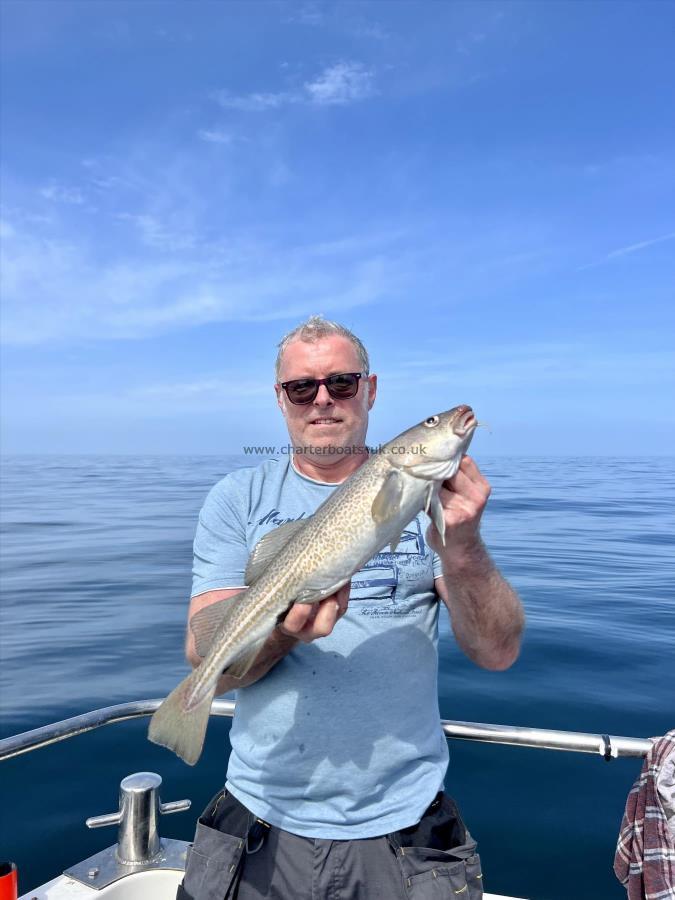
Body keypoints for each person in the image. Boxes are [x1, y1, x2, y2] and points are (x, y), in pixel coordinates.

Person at [177, 316, 525, 900]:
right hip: (261, 817)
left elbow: (497, 653)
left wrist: (462, 545)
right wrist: (286, 632)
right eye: (301, 387)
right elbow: (205, 657)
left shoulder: (429, 499)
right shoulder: (237, 499)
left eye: (341, 383)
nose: (322, 400)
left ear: (370, 389)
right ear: (280, 398)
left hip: (404, 829)